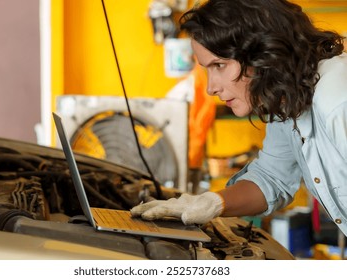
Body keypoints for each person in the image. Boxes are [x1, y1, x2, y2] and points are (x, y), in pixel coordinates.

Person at [131, 0, 347, 237]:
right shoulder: (288, 101)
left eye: (220, 65)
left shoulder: (337, 101)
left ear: (265, 52)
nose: (211, 88)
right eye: (207, 69)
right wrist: (210, 202)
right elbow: (271, 178)